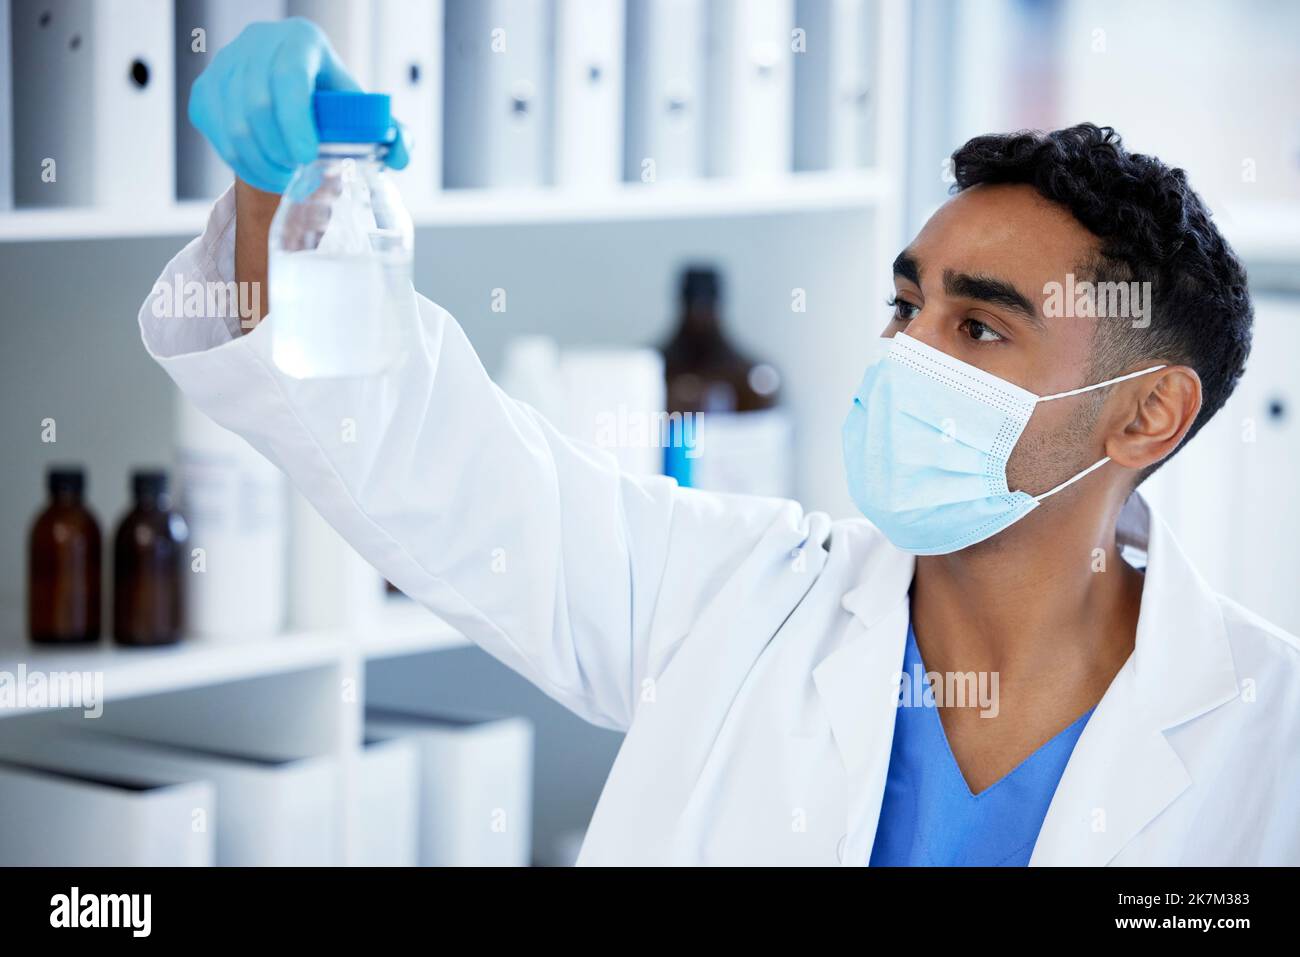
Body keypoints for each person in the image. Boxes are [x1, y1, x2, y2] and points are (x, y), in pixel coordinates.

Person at [141, 19, 1300, 865]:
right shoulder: (727, 599)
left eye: (980, 326)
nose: (908, 357)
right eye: (907, 308)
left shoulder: (1270, 734)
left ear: (1146, 413)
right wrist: (273, 189)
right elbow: (416, 455)